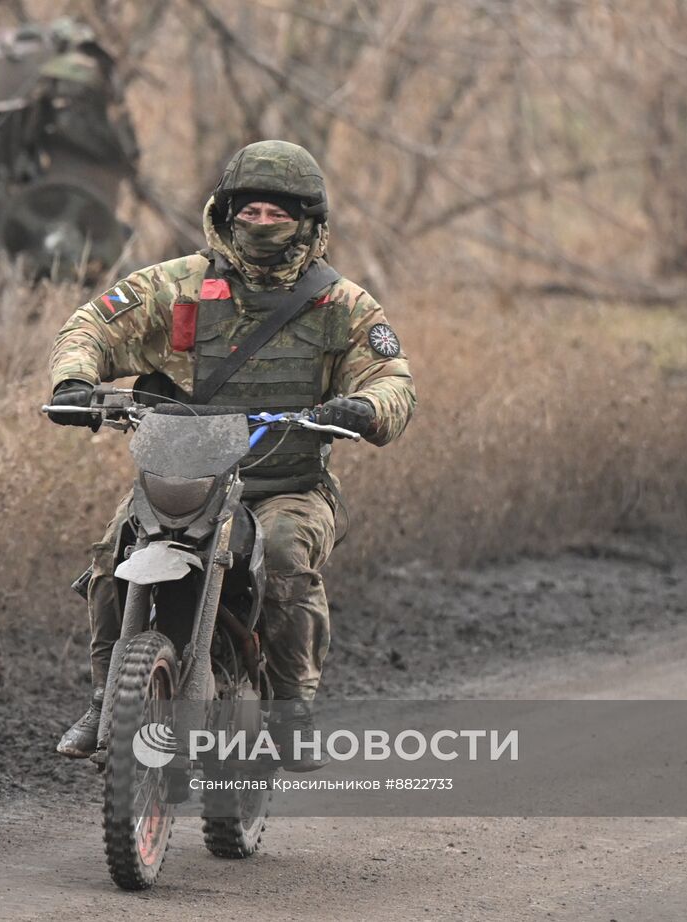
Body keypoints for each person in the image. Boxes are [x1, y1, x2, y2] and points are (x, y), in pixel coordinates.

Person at [45, 140, 416, 771]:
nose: (263, 225)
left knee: (282, 556)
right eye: (251, 213)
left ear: (309, 222)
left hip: (289, 487)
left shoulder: (343, 306)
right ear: (227, 214)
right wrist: (75, 383)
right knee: (112, 558)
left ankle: (291, 711)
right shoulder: (174, 286)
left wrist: (367, 408)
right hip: (182, 481)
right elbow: (92, 326)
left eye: (279, 214)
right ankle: (105, 697)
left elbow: (392, 378)